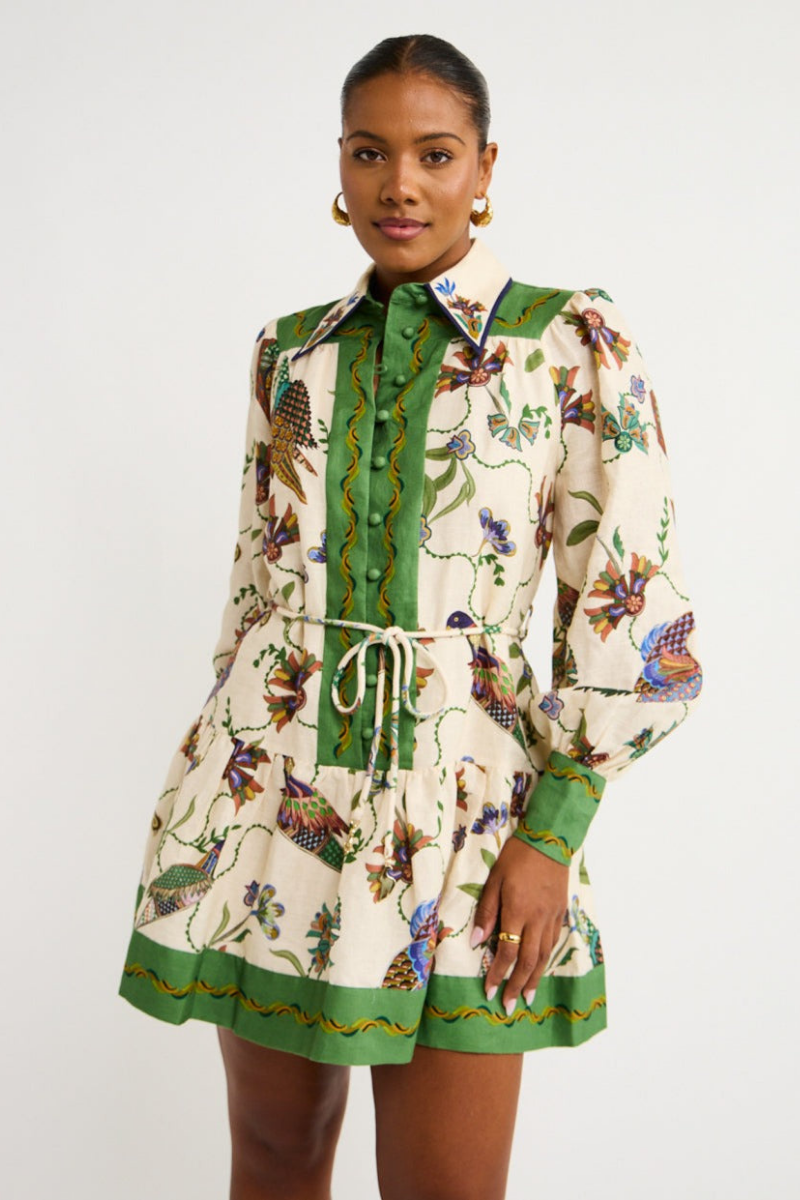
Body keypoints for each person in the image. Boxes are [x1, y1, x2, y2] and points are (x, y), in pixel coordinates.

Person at [118, 32, 703, 1200]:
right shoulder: (289, 353)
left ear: (484, 168)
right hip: (272, 793)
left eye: (434, 154)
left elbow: (633, 610)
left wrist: (550, 836)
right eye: (368, 152)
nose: (399, 185)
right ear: (337, 168)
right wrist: (210, 787)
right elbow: (253, 587)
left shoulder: (565, 343)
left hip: (470, 814)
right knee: (275, 1155)